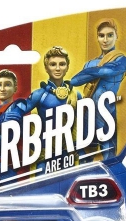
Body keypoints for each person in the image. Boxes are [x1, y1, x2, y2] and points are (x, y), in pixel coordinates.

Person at [70, 18, 126, 159]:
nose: (105, 40)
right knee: (84, 156)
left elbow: (108, 71)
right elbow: (74, 80)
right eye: (101, 35)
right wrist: (99, 70)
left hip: (106, 114)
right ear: (97, 37)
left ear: (116, 36)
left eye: (110, 35)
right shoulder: (89, 63)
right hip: (87, 113)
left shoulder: (121, 59)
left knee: (109, 156)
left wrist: (92, 72)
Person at [23, 46, 81, 174]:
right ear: (46, 67)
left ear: (67, 67)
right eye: (53, 64)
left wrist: (78, 146)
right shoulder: (39, 94)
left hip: (67, 152)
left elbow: (83, 123)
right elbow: (18, 112)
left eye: (62, 64)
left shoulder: (75, 95)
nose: (58, 68)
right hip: (44, 152)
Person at [0, 69, 27, 184]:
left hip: (8, 163)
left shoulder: (17, 107)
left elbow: (12, 127)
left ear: (15, 88)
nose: (2, 89)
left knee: (10, 193)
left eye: (7, 85)